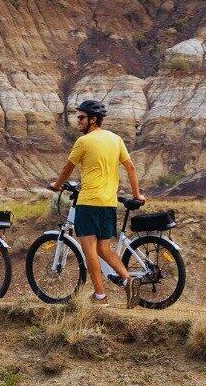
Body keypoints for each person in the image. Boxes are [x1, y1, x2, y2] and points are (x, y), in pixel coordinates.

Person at [49, 99, 144, 308]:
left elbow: (67, 169)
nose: (78, 121)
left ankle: (100, 296)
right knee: (104, 248)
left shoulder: (83, 142)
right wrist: (137, 194)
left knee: (90, 250)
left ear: (93, 120)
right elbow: (131, 168)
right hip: (109, 204)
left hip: (88, 203)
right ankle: (128, 280)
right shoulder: (116, 139)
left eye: (81, 117)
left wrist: (57, 185)